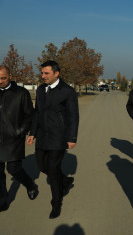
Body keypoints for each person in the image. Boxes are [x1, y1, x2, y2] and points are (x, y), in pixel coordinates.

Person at [27, 60, 79, 219]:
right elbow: (37, 113)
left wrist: (71, 137)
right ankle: (65, 182)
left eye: (46, 73)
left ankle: (56, 203)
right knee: (43, 166)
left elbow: (73, 116)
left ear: (56, 73)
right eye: (42, 73)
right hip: (42, 136)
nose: (43, 76)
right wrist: (32, 133)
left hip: (58, 136)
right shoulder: (41, 90)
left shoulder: (67, 91)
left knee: (53, 169)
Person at [0, 65, 38, 212]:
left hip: (13, 139)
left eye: (3, 78)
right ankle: (2, 202)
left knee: (13, 169)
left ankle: (30, 185)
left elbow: (30, 115)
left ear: (10, 76)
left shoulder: (21, 93)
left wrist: (21, 131)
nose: (0, 81)